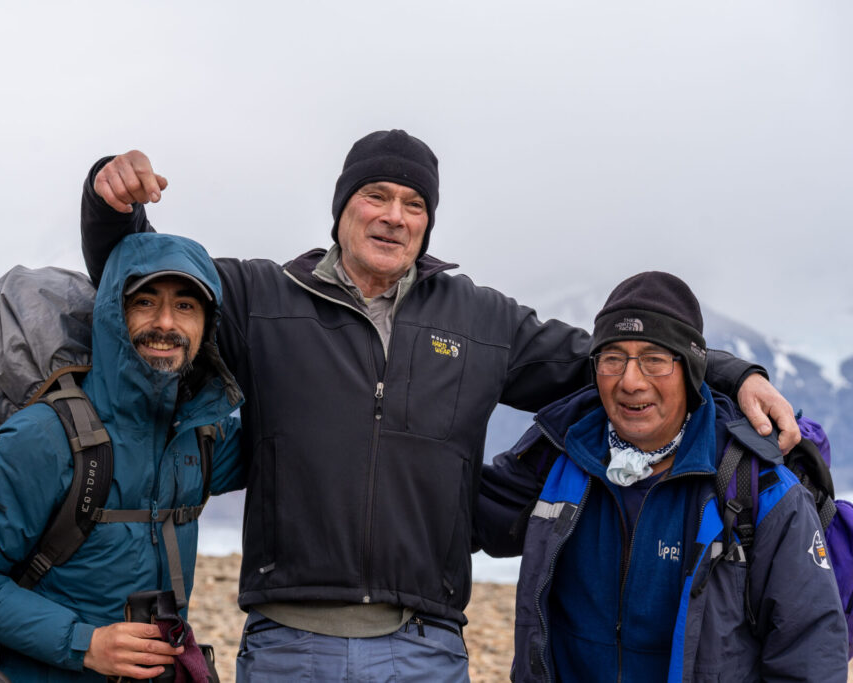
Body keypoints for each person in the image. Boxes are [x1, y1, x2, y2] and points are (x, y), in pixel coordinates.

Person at [79, 130, 800, 681]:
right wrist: (108, 203)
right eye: (377, 196)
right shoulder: (262, 299)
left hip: (423, 647)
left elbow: (610, 362)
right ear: (342, 208)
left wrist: (731, 373)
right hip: (289, 642)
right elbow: (139, 283)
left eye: (414, 204)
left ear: (428, 222)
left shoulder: (480, 319)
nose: (394, 216)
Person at [473, 271, 848, 682]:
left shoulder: (755, 484)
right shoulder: (557, 455)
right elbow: (462, 518)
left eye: (655, 360)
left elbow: (808, 650)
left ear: (691, 370)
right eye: (612, 359)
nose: (631, 382)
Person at [0, 232, 244, 681]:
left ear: (206, 326)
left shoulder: (200, 437)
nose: (165, 323)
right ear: (114, 315)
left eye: (185, 306)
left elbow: (292, 448)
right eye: (145, 302)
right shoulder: (44, 437)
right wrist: (85, 643)